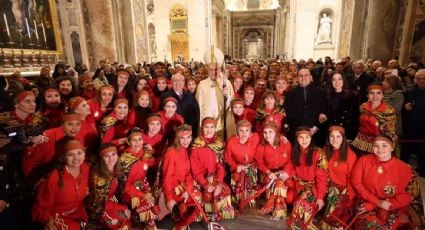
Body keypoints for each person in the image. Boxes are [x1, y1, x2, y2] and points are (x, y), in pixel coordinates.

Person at [351, 135, 418, 229]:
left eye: (384, 145)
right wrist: (376, 202)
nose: (380, 149)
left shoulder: (404, 169)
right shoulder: (363, 160)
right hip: (366, 200)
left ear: (392, 147)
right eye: (376, 145)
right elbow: (357, 183)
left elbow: (406, 196)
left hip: (391, 204)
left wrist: (376, 204)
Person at [32, 138, 90, 229]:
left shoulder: (86, 168)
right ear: (64, 157)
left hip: (79, 213)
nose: (76, 158)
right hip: (56, 216)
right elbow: (41, 206)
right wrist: (47, 220)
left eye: (79, 153)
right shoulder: (54, 177)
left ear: (85, 153)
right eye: (71, 154)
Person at [190, 117, 235, 220]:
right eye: (206, 127)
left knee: (224, 190)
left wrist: (218, 182)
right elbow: (195, 170)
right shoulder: (196, 145)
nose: (209, 130)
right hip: (199, 179)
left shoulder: (219, 144)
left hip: (214, 177)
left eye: (212, 127)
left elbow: (220, 166)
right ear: (202, 128)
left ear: (215, 129)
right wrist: (205, 184)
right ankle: (205, 215)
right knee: (207, 194)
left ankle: (219, 213)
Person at [162, 124, 202, 230]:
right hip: (173, 188)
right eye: (182, 138)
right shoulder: (171, 152)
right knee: (195, 203)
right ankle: (181, 223)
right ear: (177, 138)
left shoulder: (186, 151)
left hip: (184, 187)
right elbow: (167, 177)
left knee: (197, 199)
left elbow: (188, 174)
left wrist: (187, 189)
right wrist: (169, 198)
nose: (186, 141)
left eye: (188, 137)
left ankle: (181, 225)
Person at [287, 126, 328, 229]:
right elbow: (290, 167)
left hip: (312, 187)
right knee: (284, 194)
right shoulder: (295, 151)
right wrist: (288, 174)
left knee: (300, 203)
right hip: (297, 184)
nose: (304, 140)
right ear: (297, 139)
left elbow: (322, 178)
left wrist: (320, 197)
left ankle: (301, 224)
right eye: (301, 137)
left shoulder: (319, 153)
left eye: (307, 137)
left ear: (311, 138)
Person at [118, 128, 158, 229]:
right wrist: (142, 195)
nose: (138, 143)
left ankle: (145, 222)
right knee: (148, 204)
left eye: (140, 139)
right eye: (134, 140)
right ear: (128, 142)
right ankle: (137, 219)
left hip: (142, 185)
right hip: (129, 191)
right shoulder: (124, 160)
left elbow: (154, 162)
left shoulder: (145, 153)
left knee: (152, 203)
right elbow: (125, 187)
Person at [320, 125, 357, 229]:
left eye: (338, 137)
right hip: (327, 186)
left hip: (343, 190)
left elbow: (352, 178)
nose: (334, 139)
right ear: (328, 138)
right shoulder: (324, 151)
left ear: (343, 139)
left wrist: (349, 196)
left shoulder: (350, 155)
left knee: (333, 214)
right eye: (332, 136)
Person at [255, 122, 294, 219]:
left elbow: (290, 160)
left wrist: (286, 172)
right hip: (269, 174)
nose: (267, 135)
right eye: (265, 132)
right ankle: (279, 211)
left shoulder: (285, 143)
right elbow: (259, 162)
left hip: (284, 172)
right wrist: (268, 172)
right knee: (279, 184)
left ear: (276, 132)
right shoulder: (261, 146)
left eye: (270, 132)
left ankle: (271, 206)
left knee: (281, 184)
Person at [87, 144, 131, 229]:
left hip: (110, 202)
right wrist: (122, 207)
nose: (111, 158)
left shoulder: (116, 169)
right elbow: (98, 203)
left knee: (126, 221)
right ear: (101, 159)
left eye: (113, 154)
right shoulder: (100, 178)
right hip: (98, 209)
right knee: (119, 222)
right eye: (106, 156)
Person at [196, 47, 234, 136]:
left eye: (216, 69)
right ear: (207, 70)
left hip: (221, 123)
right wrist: (201, 125)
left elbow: (231, 106)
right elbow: (199, 107)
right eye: (211, 70)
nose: (214, 72)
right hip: (206, 125)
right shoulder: (202, 84)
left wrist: (227, 96)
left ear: (220, 69)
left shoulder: (226, 83)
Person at [284, 68, 328, 145]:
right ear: (297, 78)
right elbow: (289, 114)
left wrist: (315, 129)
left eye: (306, 75)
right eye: (300, 76)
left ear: (311, 77)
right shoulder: (290, 94)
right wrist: (300, 130)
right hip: (297, 134)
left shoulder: (321, 93)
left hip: (316, 134)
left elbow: (324, 112)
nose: (303, 78)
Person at [351, 83, 397, 155]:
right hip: (361, 143)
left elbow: (390, 131)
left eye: (378, 93)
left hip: (379, 144)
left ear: (383, 95)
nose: (375, 96)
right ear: (367, 95)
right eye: (372, 93)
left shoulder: (389, 110)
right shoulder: (362, 107)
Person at [224, 120, 260, 206]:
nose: (244, 133)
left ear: (250, 132)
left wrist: (281, 136)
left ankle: (250, 199)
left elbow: (270, 135)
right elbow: (227, 157)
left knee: (250, 178)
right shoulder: (231, 142)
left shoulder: (256, 137)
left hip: (251, 165)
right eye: (241, 130)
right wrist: (235, 166)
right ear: (237, 131)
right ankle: (238, 199)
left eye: (247, 130)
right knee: (237, 179)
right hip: (237, 165)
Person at [402, 69, 425, 176]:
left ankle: (422, 168)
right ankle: (402, 168)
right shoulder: (410, 90)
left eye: (424, 79)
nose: (421, 81)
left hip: (424, 126)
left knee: (423, 149)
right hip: (410, 124)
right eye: (419, 79)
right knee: (406, 148)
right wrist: (405, 106)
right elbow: (403, 105)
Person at [325, 72, 359, 140]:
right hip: (331, 133)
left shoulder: (352, 96)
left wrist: (352, 136)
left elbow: (355, 117)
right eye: (334, 79)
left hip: (346, 133)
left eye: (340, 79)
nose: (337, 82)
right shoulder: (326, 96)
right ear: (331, 82)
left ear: (343, 80)